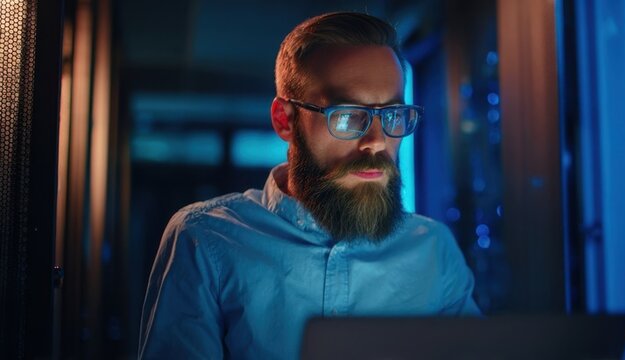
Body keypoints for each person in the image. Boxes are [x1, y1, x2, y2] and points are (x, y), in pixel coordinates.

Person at [138, 12, 480, 359]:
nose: (376, 142)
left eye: (392, 116)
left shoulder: (435, 252)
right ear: (284, 119)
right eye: (347, 116)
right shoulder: (206, 240)